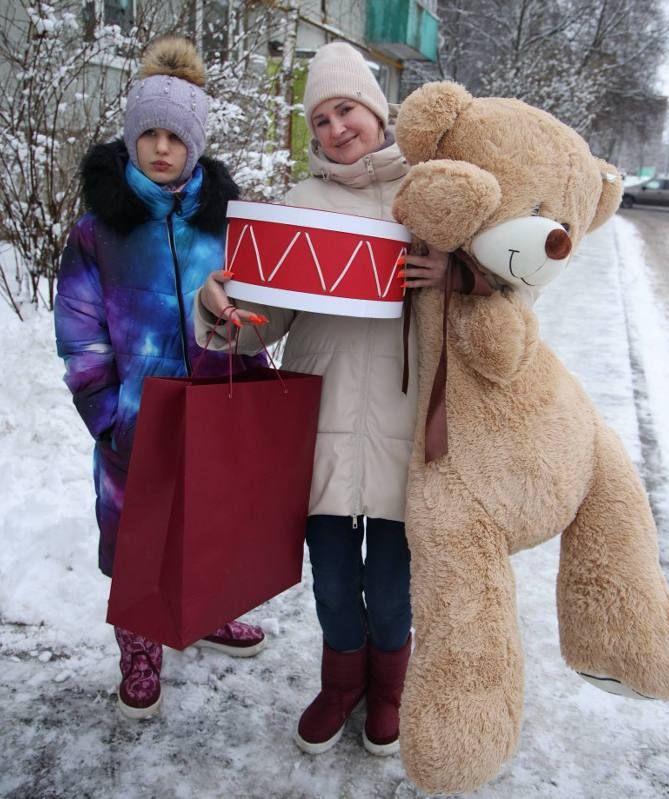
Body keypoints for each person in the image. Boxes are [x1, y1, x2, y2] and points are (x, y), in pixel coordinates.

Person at [194, 41, 449, 756]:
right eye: (322, 119)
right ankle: (340, 683)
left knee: (393, 587)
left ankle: (389, 685)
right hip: (321, 429)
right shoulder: (299, 207)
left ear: (376, 110)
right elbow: (262, 324)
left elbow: (500, 296)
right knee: (335, 581)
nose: (337, 128)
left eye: (348, 110)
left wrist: (452, 271)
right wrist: (222, 304)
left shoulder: (427, 197)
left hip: (406, 432)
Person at [54, 37, 267, 721]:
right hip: (135, 421)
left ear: (195, 141)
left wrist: (254, 385)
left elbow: (257, 313)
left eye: (176, 134)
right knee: (138, 542)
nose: (161, 147)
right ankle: (139, 646)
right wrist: (109, 414)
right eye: (148, 132)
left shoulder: (227, 225)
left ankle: (202, 613)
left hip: (212, 412)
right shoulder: (99, 231)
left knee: (208, 527)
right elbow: (80, 335)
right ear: (131, 136)